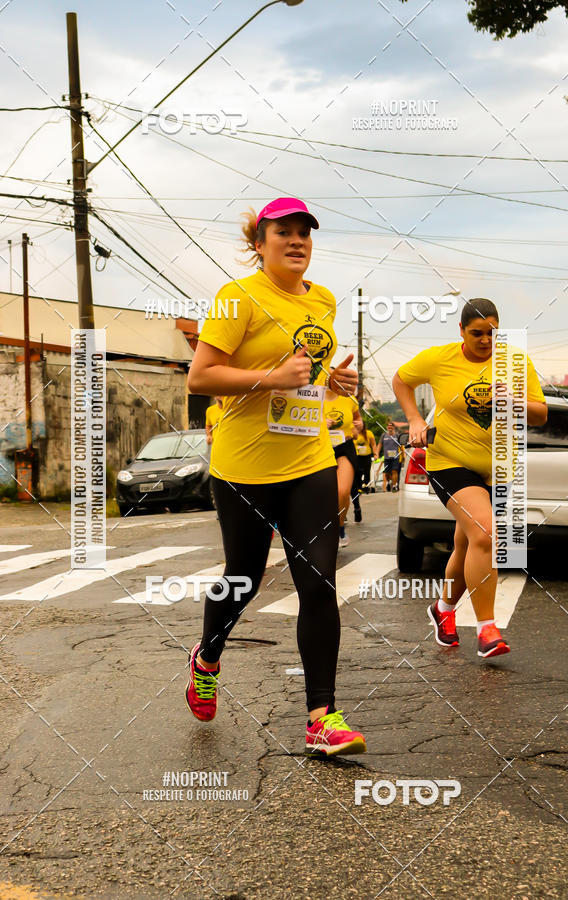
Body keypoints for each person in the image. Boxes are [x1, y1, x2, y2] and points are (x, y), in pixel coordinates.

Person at [186, 196, 366, 756]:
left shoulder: (324, 300)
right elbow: (200, 377)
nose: (296, 241)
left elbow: (304, 373)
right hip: (243, 467)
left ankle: (322, 717)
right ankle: (207, 659)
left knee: (319, 581)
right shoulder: (236, 297)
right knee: (242, 578)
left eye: (304, 232)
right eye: (283, 232)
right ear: (259, 243)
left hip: (309, 461)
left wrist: (329, 383)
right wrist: (270, 377)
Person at [392, 298, 547, 658]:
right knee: (486, 534)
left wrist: (515, 401)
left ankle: (443, 609)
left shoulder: (516, 362)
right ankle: (487, 628)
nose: (486, 340)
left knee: (468, 546)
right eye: (477, 333)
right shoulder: (439, 358)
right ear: (461, 330)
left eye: (493, 333)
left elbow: (540, 415)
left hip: (499, 468)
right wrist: (415, 419)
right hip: (450, 462)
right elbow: (401, 380)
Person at [323, 388, 361, 545]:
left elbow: (357, 420)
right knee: (322, 493)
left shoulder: (349, 398)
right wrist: (320, 424)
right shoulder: (313, 394)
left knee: (342, 491)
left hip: (344, 446)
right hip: (321, 447)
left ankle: (339, 528)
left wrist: (358, 426)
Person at [352, 416, 377, 519]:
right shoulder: (353, 433)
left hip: (366, 456)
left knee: (367, 472)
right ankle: (359, 487)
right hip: (357, 456)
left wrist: (375, 453)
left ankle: (366, 487)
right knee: (358, 473)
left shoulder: (369, 433)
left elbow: (373, 444)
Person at [377, 422, 401, 491]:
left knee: (394, 471)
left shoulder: (397, 435)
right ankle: (390, 481)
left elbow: (401, 445)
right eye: (388, 426)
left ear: (394, 427)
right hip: (386, 458)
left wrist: (403, 455)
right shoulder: (383, 435)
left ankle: (394, 485)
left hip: (395, 457)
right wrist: (377, 453)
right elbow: (379, 445)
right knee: (386, 473)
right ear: (387, 427)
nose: (390, 427)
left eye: (391, 426)